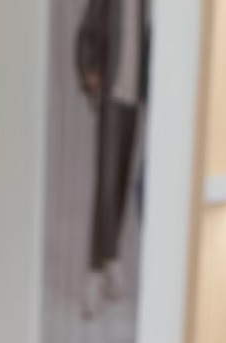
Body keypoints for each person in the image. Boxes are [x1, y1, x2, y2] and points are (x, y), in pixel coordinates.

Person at [75, 0, 148, 319]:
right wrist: (89, 71)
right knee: (106, 185)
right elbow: (87, 31)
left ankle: (111, 263)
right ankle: (93, 275)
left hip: (133, 100)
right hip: (112, 98)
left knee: (120, 182)